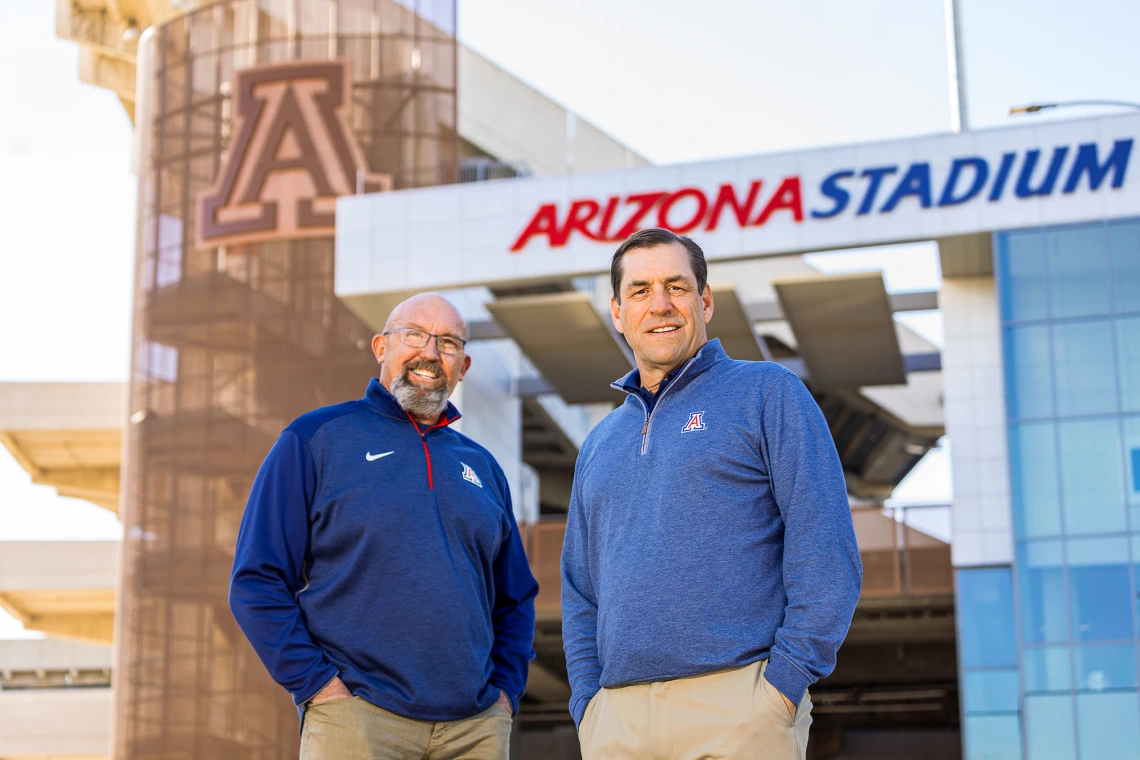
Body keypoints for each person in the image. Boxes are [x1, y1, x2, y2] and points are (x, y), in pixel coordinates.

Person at [561, 228, 862, 760]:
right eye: (640, 291)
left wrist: (782, 687)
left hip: (740, 707)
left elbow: (825, 547)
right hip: (617, 723)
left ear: (705, 300)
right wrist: (588, 705)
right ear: (617, 311)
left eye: (676, 287)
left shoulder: (768, 393)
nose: (660, 305)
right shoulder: (600, 442)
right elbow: (581, 590)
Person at [230, 293, 538, 760]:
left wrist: (503, 697)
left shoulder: (484, 467)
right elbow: (257, 580)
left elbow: (515, 599)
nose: (430, 353)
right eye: (415, 335)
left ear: (464, 365)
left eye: (449, 343)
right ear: (380, 347)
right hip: (357, 719)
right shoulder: (315, 439)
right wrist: (319, 686)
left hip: (474, 730)